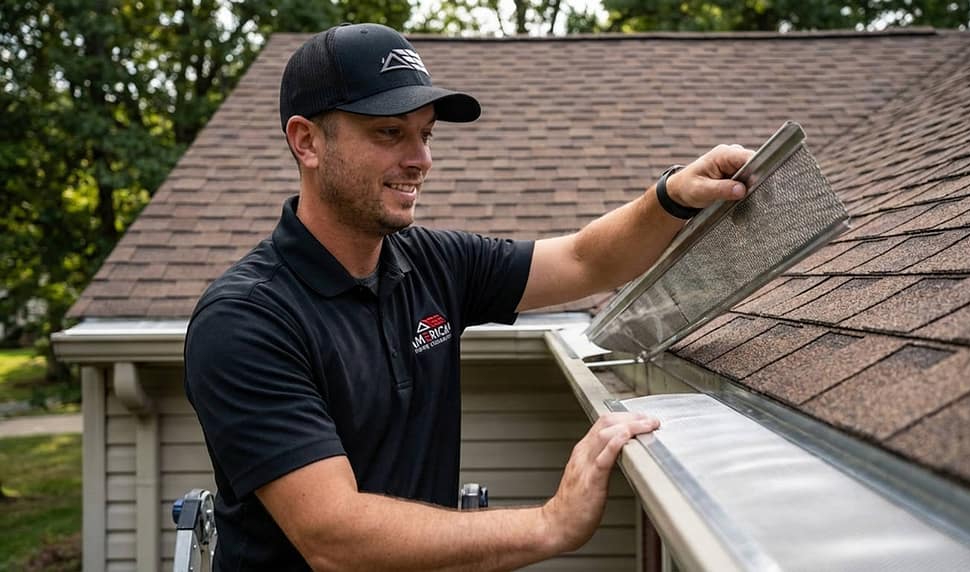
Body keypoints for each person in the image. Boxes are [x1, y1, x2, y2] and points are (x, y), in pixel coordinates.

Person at [184, 22, 752, 571]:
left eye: (425, 134)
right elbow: (337, 537)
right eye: (389, 132)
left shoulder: (434, 263)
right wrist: (551, 523)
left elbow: (585, 260)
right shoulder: (247, 320)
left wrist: (673, 194)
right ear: (307, 141)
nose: (421, 159)